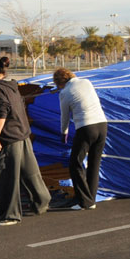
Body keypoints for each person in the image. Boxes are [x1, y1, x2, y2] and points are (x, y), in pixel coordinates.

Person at [0, 56, 50, 226]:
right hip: (22, 135)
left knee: (2, 176)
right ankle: (42, 201)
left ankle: (10, 215)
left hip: (7, 139)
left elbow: (1, 112)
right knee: (30, 172)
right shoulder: (11, 86)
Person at [53, 68, 108, 210]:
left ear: (59, 83)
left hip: (86, 127)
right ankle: (91, 199)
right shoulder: (87, 82)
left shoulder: (64, 93)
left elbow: (64, 116)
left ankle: (84, 201)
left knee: (75, 163)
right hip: (102, 125)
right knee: (94, 163)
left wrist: (63, 133)